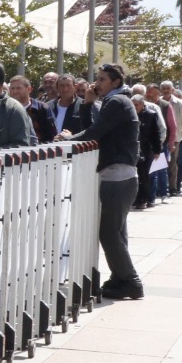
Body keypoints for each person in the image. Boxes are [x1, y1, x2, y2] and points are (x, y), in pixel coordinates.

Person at [56, 64, 142, 300]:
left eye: (102, 79)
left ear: (115, 82)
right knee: (116, 232)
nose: (97, 83)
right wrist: (86, 103)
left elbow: (93, 133)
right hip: (117, 175)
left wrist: (63, 143)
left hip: (118, 176)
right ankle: (120, 278)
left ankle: (131, 281)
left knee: (108, 233)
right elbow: (92, 131)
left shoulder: (117, 102)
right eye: (97, 79)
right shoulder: (113, 101)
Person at [131, 92, 161, 210]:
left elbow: (155, 133)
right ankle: (134, 199)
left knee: (144, 176)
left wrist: (157, 150)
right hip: (132, 149)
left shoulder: (151, 115)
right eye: (132, 105)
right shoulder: (129, 114)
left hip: (146, 149)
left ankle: (143, 199)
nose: (134, 107)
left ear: (142, 105)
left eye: (136, 105)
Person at [9, 75, 56, 143]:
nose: (15, 91)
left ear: (29, 89)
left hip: (38, 151)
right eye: (12, 88)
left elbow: (52, 135)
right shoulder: (7, 109)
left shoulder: (42, 109)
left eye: (18, 88)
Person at [47, 76, 93, 140]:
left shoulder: (84, 106)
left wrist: (71, 137)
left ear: (75, 87)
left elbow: (90, 131)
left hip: (74, 147)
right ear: (57, 87)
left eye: (68, 85)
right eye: (61, 86)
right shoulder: (48, 107)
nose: (65, 89)